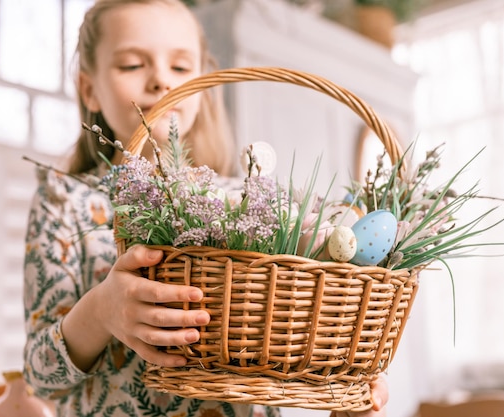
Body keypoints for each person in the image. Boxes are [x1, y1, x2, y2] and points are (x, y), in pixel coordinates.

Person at [22, 1, 388, 416]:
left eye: (180, 68)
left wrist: (343, 374)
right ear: (89, 89)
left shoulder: (250, 201)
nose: (161, 80)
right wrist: (101, 311)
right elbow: (39, 376)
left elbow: (288, 320)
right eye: (130, 65)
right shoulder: (65, 202)